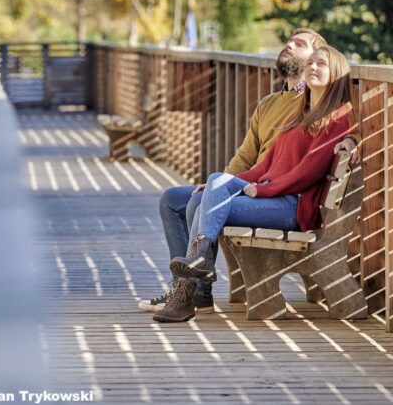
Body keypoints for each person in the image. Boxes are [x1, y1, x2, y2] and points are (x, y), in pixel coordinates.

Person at [137, 28, 360, 314]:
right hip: (269, 192)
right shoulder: (291, 110)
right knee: (199, 188)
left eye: (318, 60)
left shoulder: (334, 113)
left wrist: (354, 140)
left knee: (201, 199)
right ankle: (196, 274)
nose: (311, 66)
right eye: (311, 63)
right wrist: (225, 183)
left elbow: (311, 167)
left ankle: (188, 290)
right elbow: (259, 161)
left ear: (335, 73)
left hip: (290, 204)